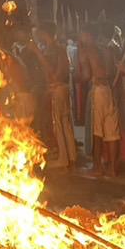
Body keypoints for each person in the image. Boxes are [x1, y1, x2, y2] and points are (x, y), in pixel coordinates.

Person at [32, 23, 76, 169]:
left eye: (40, 33)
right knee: (66, 123)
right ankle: (72, 156)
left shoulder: (52, 50)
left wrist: (38, 54)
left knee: (59, 124)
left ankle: (64, 158)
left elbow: (52, 74)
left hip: (57, 88)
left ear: (45, 34)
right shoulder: (60, 49)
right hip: (63, 88)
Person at [76, 27, 117, 176]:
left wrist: (76, 77)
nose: (80, 40)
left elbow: (86, 75)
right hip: (109, 91)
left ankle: (97, 166)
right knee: (112, 131)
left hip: (98, 90)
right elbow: (111, 71)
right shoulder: (107, 50)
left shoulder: (87, 51)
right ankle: (112, 168)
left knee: (96, 131)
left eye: (82, 36)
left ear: (87, 35)